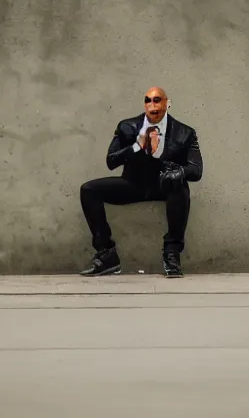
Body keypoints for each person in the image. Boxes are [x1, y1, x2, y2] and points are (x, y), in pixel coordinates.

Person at [79, 87, 203, 277]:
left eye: (157, 100)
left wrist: (178, 172)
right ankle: (107, 254)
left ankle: (172, 254)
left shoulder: (185, 133)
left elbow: (196, 170)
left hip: (163, 184)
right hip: (132, 183)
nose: (152, 105)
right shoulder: (127, 127)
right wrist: (136, 146)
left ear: (167, 103)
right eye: (148, 101)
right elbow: (111, 161)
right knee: (89, 190)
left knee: (181, 188)